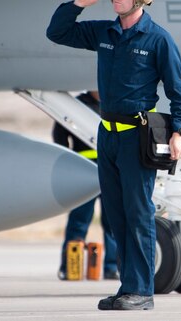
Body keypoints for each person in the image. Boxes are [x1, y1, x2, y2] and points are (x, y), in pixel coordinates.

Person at [46, 0, 181, 311]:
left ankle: (141, 291)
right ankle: (127, 287)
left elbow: (178, 90)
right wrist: (78, 4)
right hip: (106, 135)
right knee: (114, 216)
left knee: (138, 214)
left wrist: (180, 131)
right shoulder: (105, 32)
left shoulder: (158, 40)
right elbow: (57, 32)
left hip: (136, 137)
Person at [54, 90, 119, 281]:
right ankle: (69, 267)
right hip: (83, 171)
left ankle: (112, 267)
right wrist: (68, 162)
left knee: (112, 223)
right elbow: (59, 133)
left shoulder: (112, 102)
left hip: (109, 172)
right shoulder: (78, 104)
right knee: (79, 220)